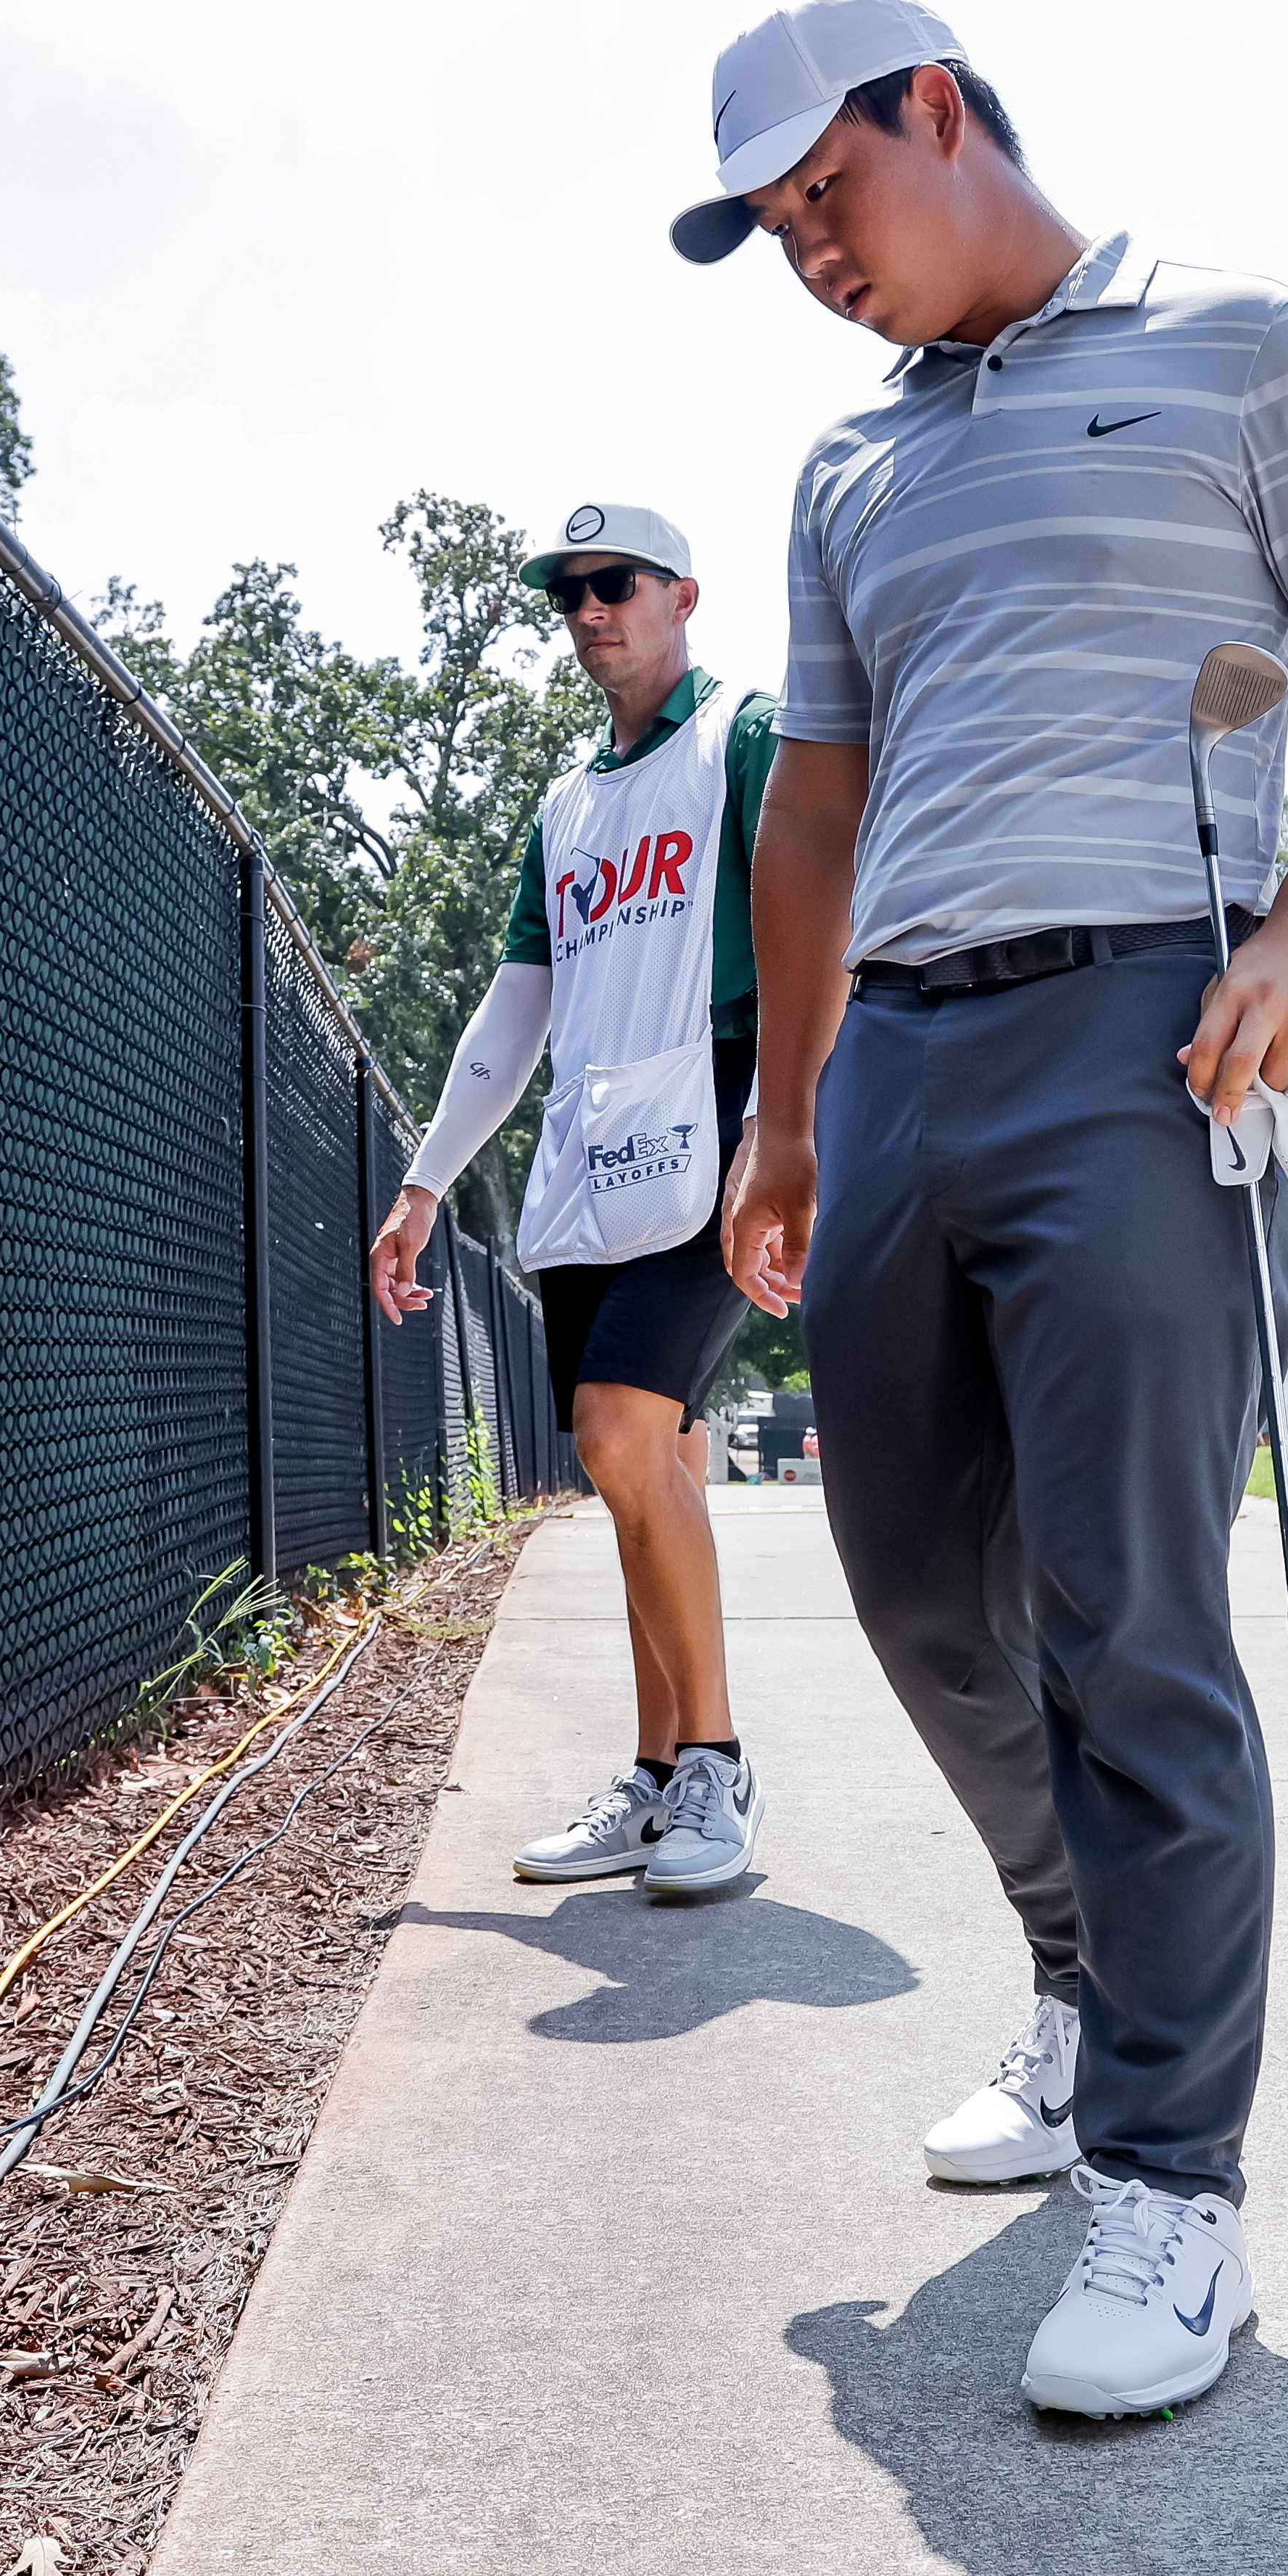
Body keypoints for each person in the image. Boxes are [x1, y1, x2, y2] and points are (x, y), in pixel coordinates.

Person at [682, 0, 1288, 2417]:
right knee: (915, 1580)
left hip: (1146, 1027)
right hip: (899, 1046)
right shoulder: (843, 466)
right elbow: (810, 810)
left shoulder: (1234, 346)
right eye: (772, 231)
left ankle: (1170, 2182)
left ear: (939, 111)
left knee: (1130, 1603)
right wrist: (788, 1114)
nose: (810, 252)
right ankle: (1074, 1969)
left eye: (827, 195)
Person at [368, 501, 772, 1896]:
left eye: (614, 584)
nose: (589, 610)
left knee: (614, 1434)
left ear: (681, 594)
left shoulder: (745, 737)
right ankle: (658, 1778)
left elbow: (816, 922)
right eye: (569, 595)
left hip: (720, 1109)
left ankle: (716, 1765)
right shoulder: (565, 805)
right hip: (594, 1144)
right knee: (637, 1468)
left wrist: (786, 1127)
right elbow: (516, 1003)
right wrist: (423, 1181)